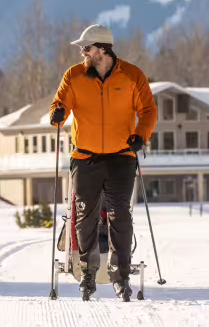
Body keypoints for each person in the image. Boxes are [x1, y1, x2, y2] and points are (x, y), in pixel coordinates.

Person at [49, 24, 157, 301]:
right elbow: (58, 104)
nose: (82, 52)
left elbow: (147, 109)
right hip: (85, 158)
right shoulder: (74, 75)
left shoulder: (132, 75)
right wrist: (57, 113)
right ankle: (87, 273)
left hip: (121, 157)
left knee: (119, 215)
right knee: (84, 216)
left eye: (85, 48)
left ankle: (120, 276)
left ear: (102, 50)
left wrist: (140, 136)